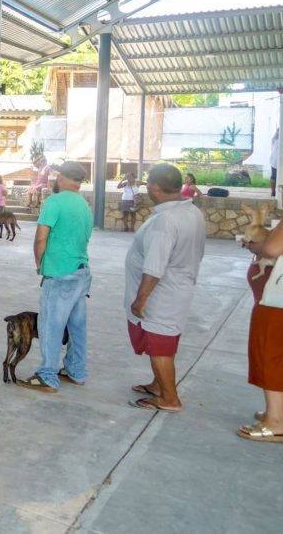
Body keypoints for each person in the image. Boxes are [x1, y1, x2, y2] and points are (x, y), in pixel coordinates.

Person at [124, 164, 205, 413]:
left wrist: (140, 299)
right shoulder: (191, 212)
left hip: (161, 294)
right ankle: (158, 385)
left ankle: (169, 398)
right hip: (179, 287)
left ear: (155, 188)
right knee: (159, 340)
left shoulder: (165, 222)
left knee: (160, 345)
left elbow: (155, 266)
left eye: (149, 182)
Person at [18, 161, 93, 393]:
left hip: (60, 272)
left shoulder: (54, 202)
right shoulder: (84, 204)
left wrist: (40, 263)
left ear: (61, 178)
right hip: (82, 271)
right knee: (77, 325)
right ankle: (76, 370)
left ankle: (47, 376)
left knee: (51, 324)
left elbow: (41, 237)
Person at [239, 219, 283, 442]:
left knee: (271, 354)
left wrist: (252, 245)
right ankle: (278, 412)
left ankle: (276, 421)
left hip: (277, 304)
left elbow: (272, 249)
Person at [271, 129, 279, 199]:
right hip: (276, 162)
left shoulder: (275, 140)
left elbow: (273, 138)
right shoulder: (276, 140)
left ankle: (273, 192)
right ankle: (273, 191)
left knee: (273, 177)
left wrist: (277, 131)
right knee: (274, 177)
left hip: (274, 162)